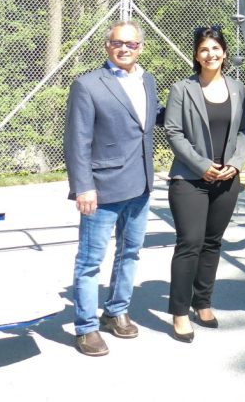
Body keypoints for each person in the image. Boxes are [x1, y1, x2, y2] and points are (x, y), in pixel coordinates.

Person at [65, 21, 158, 357]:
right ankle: (86, 327)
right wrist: (83, 187)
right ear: (107, 46)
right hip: (102, 189)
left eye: (131, 44)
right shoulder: (87, 85)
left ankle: (116, 311)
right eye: (118, 43)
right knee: (90, 261)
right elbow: (77, 141)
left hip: (141, 184)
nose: (125, 49)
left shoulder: (148, 80)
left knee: (129, 253)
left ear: (140, 47)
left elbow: (146, 126)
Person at [163, 26, 245, 342]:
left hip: (227, 179)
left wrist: (235, 164)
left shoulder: (238, 89)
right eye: (204, 50)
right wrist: (202, 166)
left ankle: (203, 302)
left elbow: (244, 131)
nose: (211, 54)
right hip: (190, 179)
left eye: (216, 48)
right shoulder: (182, 89)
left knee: (213, 242)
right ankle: (179, 311)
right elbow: (173, 132)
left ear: (224, 52)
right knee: (190, 242)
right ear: (196, 55)